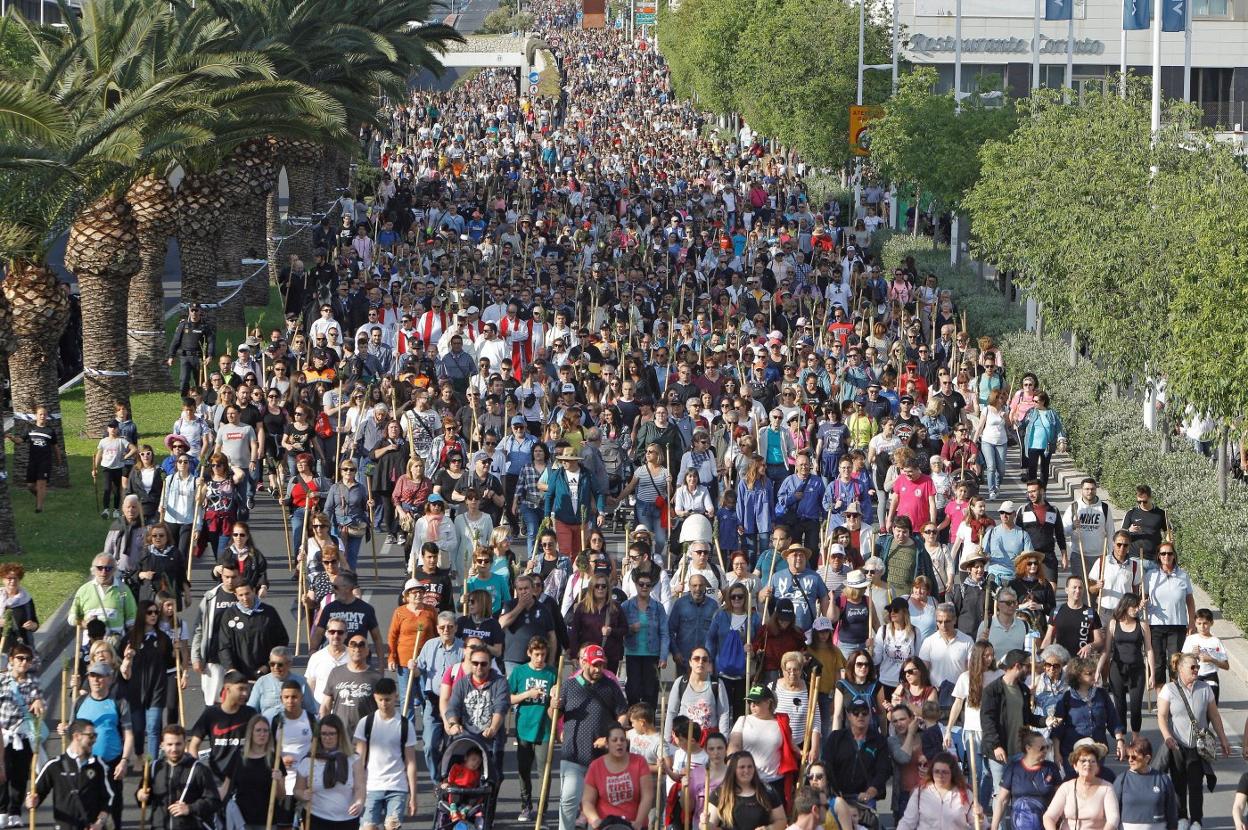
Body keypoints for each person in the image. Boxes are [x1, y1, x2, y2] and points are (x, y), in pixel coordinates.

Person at [555, 644, 628, 830]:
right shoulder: (569, 685)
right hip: (573, 754)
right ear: (584, 663)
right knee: (568, 802)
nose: (598, 669)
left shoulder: (610, 686)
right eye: (594, 665)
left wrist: (611, 736)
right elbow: (555, 714)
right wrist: (552, 706)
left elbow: (622, 714)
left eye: (601, 665)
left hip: (601, 758)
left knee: (597, 806)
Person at [1158, 652, 1233, 830]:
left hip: (1197, 746)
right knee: (1178, 783)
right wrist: (1167, 736)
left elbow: (1214, 715)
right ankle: (1182, 817)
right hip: (1177, 744)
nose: (1196, 669)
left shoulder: (1205, 688)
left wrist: (1223, 739)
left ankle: (1197, 820)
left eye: (1197, 666)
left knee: (1196, 785)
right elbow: (1161, 716)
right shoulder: (1169, 689)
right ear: (1180, 669)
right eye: (1192, 667)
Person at [352, 678, 419, 830]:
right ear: (375, 697)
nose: (384, 704)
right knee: (368, 827)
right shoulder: (365, 723)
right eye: (380, 700)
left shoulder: (405, 725)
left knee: (392, 826)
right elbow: (359, 760)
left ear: (395, 696)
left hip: (397, 786)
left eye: (387, 699)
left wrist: (413, 796)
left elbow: (411, 762)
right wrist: (356, 789)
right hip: (371, 786)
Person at [27, 719, 114, 830]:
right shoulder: (54, 765)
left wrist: (99, 823)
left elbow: (108, 798)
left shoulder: (98, 765)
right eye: (91, 736)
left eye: (95, 736)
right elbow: (37, 792)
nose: (95, 740)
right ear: (77, 736)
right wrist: (31, 801)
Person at [136, 724, 222, 830]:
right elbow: (143, 796)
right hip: (160, 826)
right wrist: (140, 796)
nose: (174, 749)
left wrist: (190, 808)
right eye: (169, 744)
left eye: (178, 744)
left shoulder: (199, 770)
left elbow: (214, 801)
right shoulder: (153, 768)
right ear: (162, 745)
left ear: (185, 744)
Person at [509, 636, 557, 822]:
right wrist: (528, 694)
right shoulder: (520, 672)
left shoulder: (552, 673)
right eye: (536, 654)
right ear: (529, 653)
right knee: (523, 770)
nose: (540, 659)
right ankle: (526, 806)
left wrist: (555, 701)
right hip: (523, 729)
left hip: (544, 729)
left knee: (544, 771)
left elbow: (557, 702)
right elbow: (508, 697)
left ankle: (542, 810)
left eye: (543, 655)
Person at [1096, 593, 1154, 740]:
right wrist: (1098, 670)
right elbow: (1107, 650)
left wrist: (1152, 673)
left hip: (1137, 670)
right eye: (1133, 606)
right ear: (1126, 606)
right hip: (1117, 670)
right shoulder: (1113, 623)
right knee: (1119, 707)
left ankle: (1135, 739)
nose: (1136, 609)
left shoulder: (1143, 625)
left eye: (1137, 606)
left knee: (1135, 707)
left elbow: (1149, 649)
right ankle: (1121, 740)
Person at [293, 714, 366, 830]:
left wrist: (359, 802)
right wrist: (302, 794)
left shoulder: (353, 759)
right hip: (316, 818)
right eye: (324, 734)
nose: (328, 738)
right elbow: (297, 790)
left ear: (340, 735)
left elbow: (360, 787)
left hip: (347, 820)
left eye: (332, 733)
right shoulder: (309, 761)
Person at [415, 612, 462, 783]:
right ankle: (437, 781)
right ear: (437, 629)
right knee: (429, 746)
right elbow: (419, 669)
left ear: (456, 627)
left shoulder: (463, 649)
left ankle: (448, 779)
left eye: (450, 626)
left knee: (451, 746)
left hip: (454, 704)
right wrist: (414, 667)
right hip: (433, 702)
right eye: (442, 627)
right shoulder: (429, 645)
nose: (446, 630)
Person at [188, 669, 257, 784]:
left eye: (246, 689)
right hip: (217, 779)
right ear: (227, 689)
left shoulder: (251, 714)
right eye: (241, 689)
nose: (245, 694)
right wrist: (197, 770)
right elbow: (193, 745)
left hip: (245, 778)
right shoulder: (211, 714)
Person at [581, 723, 654, 830]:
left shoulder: (639, 762)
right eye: (614, 740)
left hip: (633, 824)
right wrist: (595, 820)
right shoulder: (596, 766)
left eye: (622, 740)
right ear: (607, 744)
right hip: (606, 824)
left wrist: (638, 822)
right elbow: (587, 801)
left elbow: (647, 796)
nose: (619, 743)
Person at [1145, 541, 1196, 695]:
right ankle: (1161, 698)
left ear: (1174, 556)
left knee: (1174, 662)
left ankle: (1175, 696)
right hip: (1156, 625)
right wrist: (1142, 603)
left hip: (1178, 624)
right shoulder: (1151, 576)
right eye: (1163, 553)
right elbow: (1143, 597)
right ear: (1158, 557)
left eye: (1169, 553)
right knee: (1158, 663)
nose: (1166, 556)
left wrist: (1191, 621)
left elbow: (1189, 600)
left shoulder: (1183, 575)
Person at [823, 698, 890, 812]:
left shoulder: (879, 741)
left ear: (869, 715)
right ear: (848, 716)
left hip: (865, 798)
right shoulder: (836, 737)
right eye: (856, 712)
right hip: (838, 796)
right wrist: (833, 791)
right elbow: (826, 765)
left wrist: (870, 792)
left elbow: (883, 770)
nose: (860, 716)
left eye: (864, 713)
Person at [217, 581, 290, 681]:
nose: (245, 598)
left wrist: (268, 665)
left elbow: (282, 641)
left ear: (254, 591)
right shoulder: (230, 614)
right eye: (241, 595)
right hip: (239, 676)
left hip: (266, 675)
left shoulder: (269, 612)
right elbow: (224, 645)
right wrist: (231, 669)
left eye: (247, 594)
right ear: (235, 595)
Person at [991, 731, 1061, 830]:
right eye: (1041, 748)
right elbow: (1002, 801)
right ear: (1028, 748)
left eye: (1047, 747)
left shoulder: (1051, 768)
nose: (1045, 751)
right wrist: (994, 827)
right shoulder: (1013, 768)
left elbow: (1061, 798)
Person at [1042, 741, 1120, 830]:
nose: (1088, 764)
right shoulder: (1066, 787)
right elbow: (1049, 817)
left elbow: (1113, 819)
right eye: (1083, 761)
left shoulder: (1107, 788)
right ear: (1075, 766)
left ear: (1097, 766)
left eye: (1092, 761)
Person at [895, 751, 983, 830]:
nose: (940, 776)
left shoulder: (965, 794)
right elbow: (907, 823)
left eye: (944, 772)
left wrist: (980, 819)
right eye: (936, 771)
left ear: (952, 773)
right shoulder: (920, 793)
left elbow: (979, 826)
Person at [319, 634, 383, 738]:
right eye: (353, 645)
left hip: (365, 736)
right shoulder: (336, 673)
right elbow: (326, 706)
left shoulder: (376, 678)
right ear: (348, 649)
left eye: (361, 645)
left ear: (367, 651)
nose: (357, 649)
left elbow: (383, 710)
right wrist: (322, 729)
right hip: (339, 735)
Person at [70, 554, 138, 650]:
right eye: (100, 568)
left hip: (115, 646)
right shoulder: (84, 590)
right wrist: (86, 623)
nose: (103, 572)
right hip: (91, 646)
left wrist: (132, 643)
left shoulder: (123, 590)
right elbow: (72, 617)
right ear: (93, 570)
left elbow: (132, 619)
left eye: (108, 568)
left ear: (114, 570)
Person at [705, 750, 787, 830]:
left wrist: (768, 829)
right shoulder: (720, 793)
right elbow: (709, 826)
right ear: (733, 770)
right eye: (742, 767)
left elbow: (781, 820)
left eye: (750, 766)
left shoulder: (768, 791)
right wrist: (704, 823)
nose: (746, 771)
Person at [1113, 737, 1178, 830]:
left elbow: (1172, 813)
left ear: (1147, 758)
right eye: (1128, 756)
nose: (1130, 760)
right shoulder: (1121, 780)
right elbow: (1113, 813)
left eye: (1134, 757)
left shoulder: (1163, 779)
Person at [1041, 576, 1103, 659]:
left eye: (1080, 588)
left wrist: (1090, 646)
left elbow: (1099, 641)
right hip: (1062, 662)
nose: (1077, 591)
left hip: (1082, 663)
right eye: (1074, 587)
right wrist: (1041, 658)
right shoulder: (1056, 611)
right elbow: (1048, 639)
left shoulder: (1091, 613)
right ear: (1066, 590)